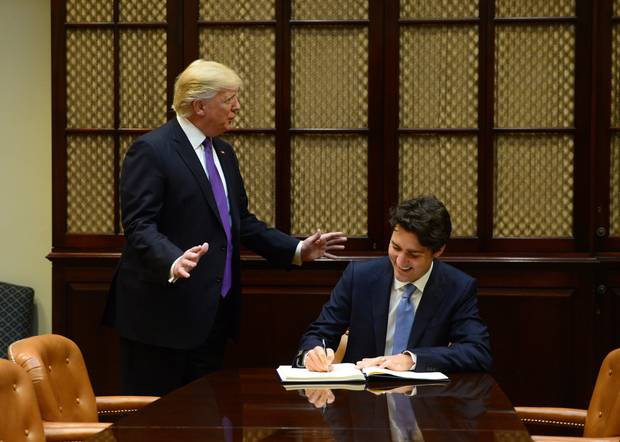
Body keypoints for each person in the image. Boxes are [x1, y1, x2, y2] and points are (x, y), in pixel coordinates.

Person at [103, 59, 346, 395]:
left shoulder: (223, 152)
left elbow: (240, 221)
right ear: (200, 105)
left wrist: (296, 249)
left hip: (212, 315)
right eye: (229, 99)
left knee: (205, 420)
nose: (237, 107)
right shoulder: (152, 150)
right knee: (160, 423)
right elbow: (139, 224)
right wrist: (172, 260)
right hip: (161, 319)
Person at [294, 195, 491, 373]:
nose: (400, 261)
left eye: (413, 255)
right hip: (361, 401)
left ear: (438, 251)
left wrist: (411, 360)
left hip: (425, 403)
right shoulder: (360, 277)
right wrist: (312, 353)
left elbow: (477, 352)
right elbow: (319, 333)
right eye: (395, 247)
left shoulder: (457, 288)